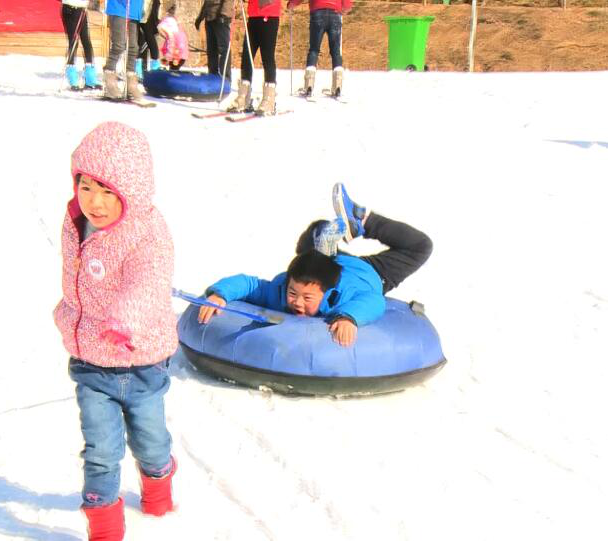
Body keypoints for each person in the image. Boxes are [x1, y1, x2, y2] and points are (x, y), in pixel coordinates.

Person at [53, 122, 178, 541]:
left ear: (131, 190)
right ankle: (104, 528)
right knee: (101, 453)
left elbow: (149, 281)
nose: (94, 201)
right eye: (86, 186)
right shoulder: (76, 222)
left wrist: (124, 320)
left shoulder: (148, 233)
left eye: (107, 191)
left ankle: (159, 483)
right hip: (92, 362)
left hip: (141, 362)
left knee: (150, 444)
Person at [198, 183, 432, 347]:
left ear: (326, 293)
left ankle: (360, 220)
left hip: (373, 274)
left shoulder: (344, 297)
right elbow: (249, 284)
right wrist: (220, 295)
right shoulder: (280, 290)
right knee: (311, 248)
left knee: (421, 246)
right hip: (329, 264)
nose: (297, 302)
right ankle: (323, 243)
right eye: (293, 293)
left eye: (307, 298)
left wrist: (348, 317)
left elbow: (373, 301)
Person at [287, 0, 352, 97]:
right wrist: (345, 8)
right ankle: (337, 86)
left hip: (317, 12)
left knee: (314, 49)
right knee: (336, 52)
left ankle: (309, 85)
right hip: (335, 14)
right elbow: (347, 5)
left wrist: (292, 3)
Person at [226, 0, 281, 115]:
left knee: (267, 57)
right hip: (253, 17)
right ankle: (243, 96)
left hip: (269, 16)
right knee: (247, 56)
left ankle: (269, 99)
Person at [104, 0, 146, 100]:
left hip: (134, 9)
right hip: (119, 7)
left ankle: (131, 84)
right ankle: (109, 81)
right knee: (119, 45)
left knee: (133, 48)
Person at [60, 0, 101, 90]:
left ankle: (90, 77)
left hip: (81, 9)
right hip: (70, 8)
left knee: (86, 41)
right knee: (74, 41)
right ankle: (72, 77)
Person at [195, 0, 234, 82]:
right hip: (210, 18)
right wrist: (200, 17)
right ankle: (212, 76)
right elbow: (207, 2)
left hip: (222, 18)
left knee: (224, 50)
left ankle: (225, 79)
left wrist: (222, 14)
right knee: (211, 50)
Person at [156, 4, 188, 70]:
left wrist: (167, 57)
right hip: (182, 54)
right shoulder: (178, 29)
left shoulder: (171, 34)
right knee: (175, 69)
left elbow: (171, 46)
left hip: (176, 56)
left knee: (173, 70)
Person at [136, 0, 162, 76]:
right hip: (141, 8)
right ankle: (139, 65)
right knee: (141, 37)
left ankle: (154, 65)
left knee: (149, 36)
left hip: (149, 8)